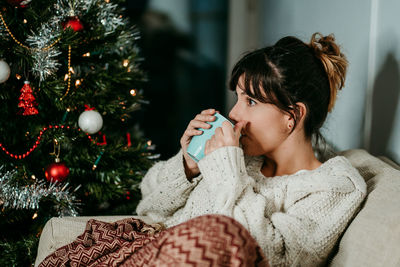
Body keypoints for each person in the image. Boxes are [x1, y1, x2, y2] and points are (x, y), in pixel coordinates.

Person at [136, 33, 367, 266]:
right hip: (143, 248)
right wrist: (188, 165)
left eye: (251, 101)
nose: (234, 113)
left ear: (292, 115)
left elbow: (273, 258)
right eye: (238, 97)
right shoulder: (242, 155)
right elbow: (148, 206)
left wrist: (227, 170)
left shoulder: (335, 187)